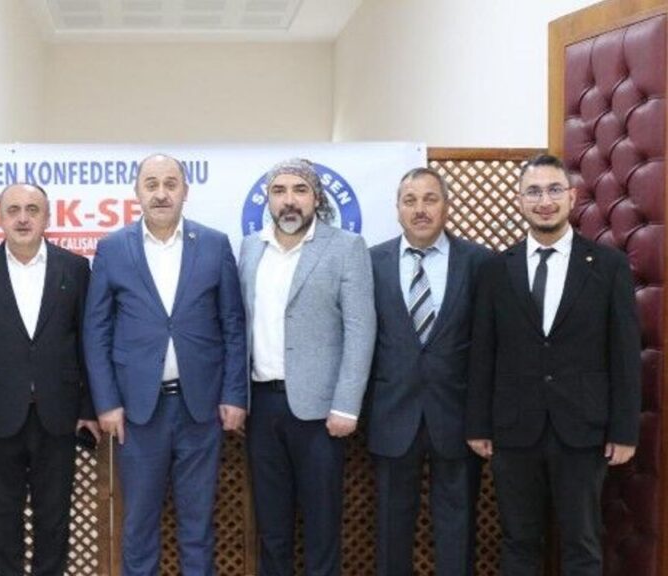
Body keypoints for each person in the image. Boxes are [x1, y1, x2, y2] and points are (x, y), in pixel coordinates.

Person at [466, 154, 641, 575]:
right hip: (513, 430)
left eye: (553, 190)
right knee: (519, 542)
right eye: (533, 191)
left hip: (583, 429)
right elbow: (482, 353)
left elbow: (624, 354)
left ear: (572, 197)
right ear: (520, 200)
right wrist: (477, 424)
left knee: (582, 542)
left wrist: (624, 430)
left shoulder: (608, 266)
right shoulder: (495, 270)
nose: (544, 201)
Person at [83, 153, 247, 576]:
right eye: (151, 184)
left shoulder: (214, 244)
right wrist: (106, 403)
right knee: (138, 526)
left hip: (201, 410)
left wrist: (234, 394)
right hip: (138, 413)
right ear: (137, 192)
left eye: (170, 184)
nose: (161, 193)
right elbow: (96, 331)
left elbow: (233, 325)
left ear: (185, 191)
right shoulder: (113, 248)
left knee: (198, 525)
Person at [0, 183, 98, 575]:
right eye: (13, 209)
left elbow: (88, 343)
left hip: (59, 414)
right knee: (2, 516)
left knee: (55, 517)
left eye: (32, 209)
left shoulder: (75, 268)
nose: (22, 218)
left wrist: (88, 408)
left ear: (48, 217)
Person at [238, 157, 375, 576]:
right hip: (261, 406)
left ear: (316, 197)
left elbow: (360, 329)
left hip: (321, 413)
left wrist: (346, 405)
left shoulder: (346, 247)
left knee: (321, 526)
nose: (289, 200)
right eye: (279, 191)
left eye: (299, 190)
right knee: (272, 527)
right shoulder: (251, 247)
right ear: (268, 199)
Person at [367, 167, 490, 576]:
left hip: (457, 417)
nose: (420, 209)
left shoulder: (479, 263)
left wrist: (483, 418)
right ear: (397, 208)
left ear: (446, 205)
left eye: (430, 199)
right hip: (391, 414)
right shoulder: (372, 262)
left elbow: (489, 345)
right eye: (410, 200)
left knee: (458, 528)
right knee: (391, 529)